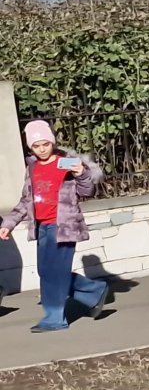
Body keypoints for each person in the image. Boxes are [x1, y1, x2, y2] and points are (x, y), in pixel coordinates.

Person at [0, 120, 108, 332]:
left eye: (45, 144)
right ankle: (94, 290)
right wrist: (9, 223)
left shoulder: (66, 162)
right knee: (46, 271)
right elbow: (26, 200)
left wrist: (81, 174)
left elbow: (87, 191)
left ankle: (54, 317)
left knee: (55, 274)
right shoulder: (32, 167)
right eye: (36, 146)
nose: (41, 149)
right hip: (42, 228)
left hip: (64, 226)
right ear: (30, 147)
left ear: (52, 141)